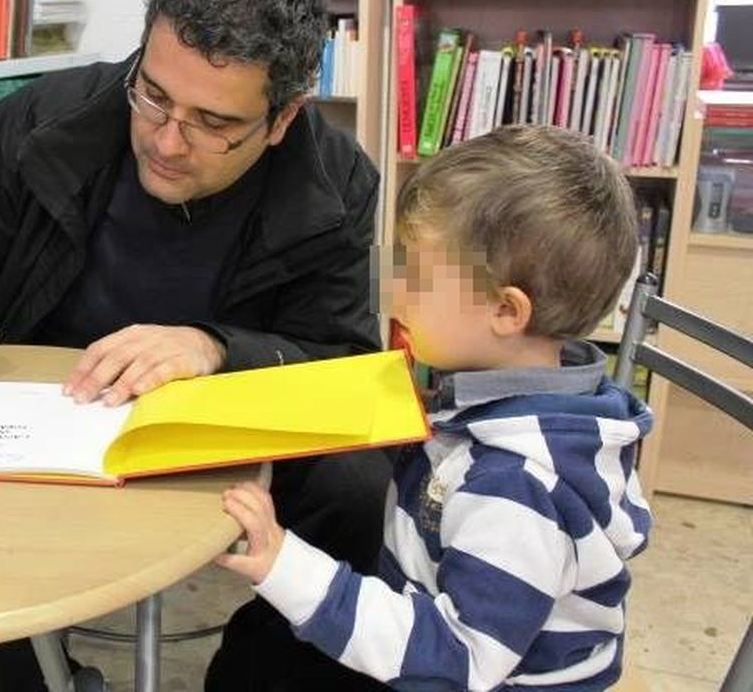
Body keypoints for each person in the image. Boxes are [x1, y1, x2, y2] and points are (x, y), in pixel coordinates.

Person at [0, 0, 388, 691]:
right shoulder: (46, 118)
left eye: (212, 123)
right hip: (52, 407)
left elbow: (343, 367)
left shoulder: (334, 182)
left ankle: (257, 676)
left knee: (359, 485)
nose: (167, 142)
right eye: (155, 97)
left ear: (281, 118)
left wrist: (215, 348)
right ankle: (30, 676)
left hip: (224, 424)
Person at [210, 125, 654, 691]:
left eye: (415, 278)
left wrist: (286, 565)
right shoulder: (536, 397)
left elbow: (457, 661)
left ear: (505, 311)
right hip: (431, 616)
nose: (391, 292)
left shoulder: (518, 488)